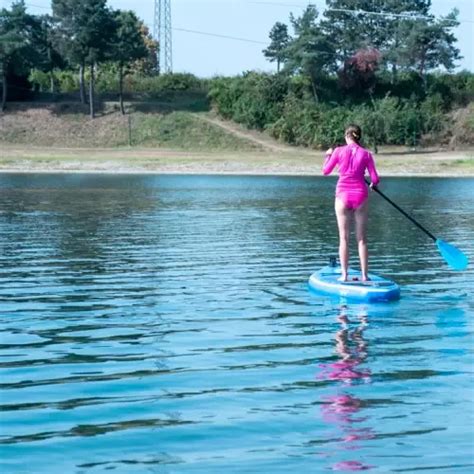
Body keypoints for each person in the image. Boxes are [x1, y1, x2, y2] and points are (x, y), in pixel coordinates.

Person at [322, 124, 379, 282]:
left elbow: (325, 171)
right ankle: (365, 276)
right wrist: (374, 184)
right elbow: (374, 179)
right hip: (361, 195)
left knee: (344, 238)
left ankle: (344, 275)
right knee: (362, 239)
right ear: (358, 137)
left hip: (342, 196)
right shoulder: (366, 154)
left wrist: (327, 155)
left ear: (347, 136)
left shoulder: (339, 151)